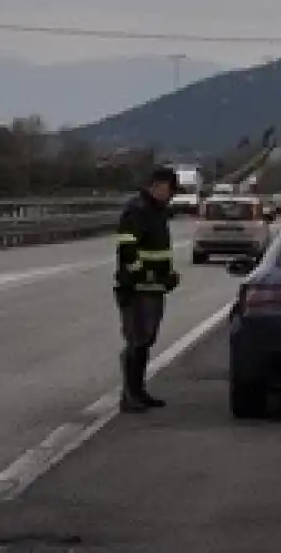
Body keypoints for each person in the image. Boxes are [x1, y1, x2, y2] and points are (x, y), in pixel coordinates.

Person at [115, 167, 181, 413]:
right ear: (158, 186)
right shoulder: (138, 210)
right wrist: (143, 274)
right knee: (136, 340)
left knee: (145, 341)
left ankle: (139, 391)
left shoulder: (157, 212)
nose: (172, 196)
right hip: (136, 289)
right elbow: (127, 248)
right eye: (170, 190)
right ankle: (129, 396)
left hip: (153, 288)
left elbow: (157, 250)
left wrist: (167, 276)